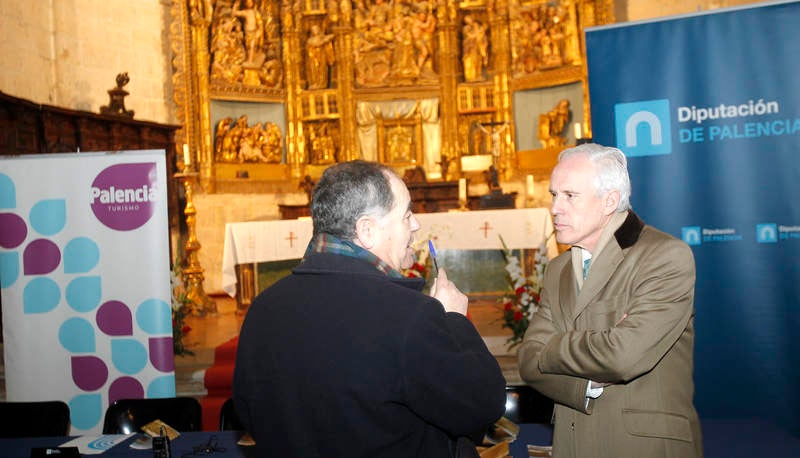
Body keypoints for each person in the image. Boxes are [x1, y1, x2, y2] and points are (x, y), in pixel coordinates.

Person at [233, 160, 506, 457]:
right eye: (406, 215)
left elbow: (250, 414)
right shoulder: (409, 316)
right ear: (367, 231)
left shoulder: (263, 309)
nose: (415, 225)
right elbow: (482, 405)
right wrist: (454, 319)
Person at [517, 143, 703, 458]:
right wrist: (582, 387)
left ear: (610, 201)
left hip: (643, 447)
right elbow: (527, 361)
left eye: (570, 196)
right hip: (572, 445)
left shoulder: (663, 256)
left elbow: (623, 355)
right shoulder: (558, 269)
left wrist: (552, 348)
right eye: (554, 195)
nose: (555, 207)